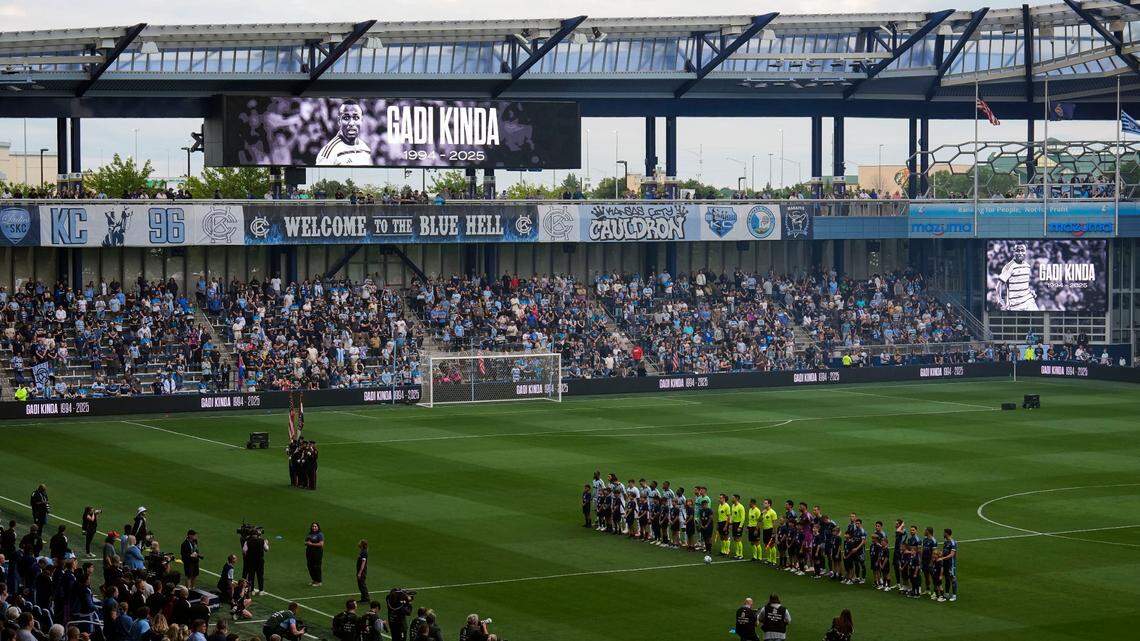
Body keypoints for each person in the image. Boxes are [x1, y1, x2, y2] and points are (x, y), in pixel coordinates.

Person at [316, 100, 371, 166]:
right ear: (339, 121)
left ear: (361, 120)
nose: (351, 123)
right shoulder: (329, 153)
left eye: (356, 118)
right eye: (346, 118)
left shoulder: (365, 149)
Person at [997, 243, 1037, 311]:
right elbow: (998, 285)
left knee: (1038, 320)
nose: (1020, 253)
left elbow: (1023, 284)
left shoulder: (1027, 266)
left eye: (1022, 250)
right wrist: (999, 299)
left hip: (1029, 301)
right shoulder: (1009, 266)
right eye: (1017, 250)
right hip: (1015, 306)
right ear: (1014, 252)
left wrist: (1030, 291)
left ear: (1025, 252)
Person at [242, 527, 268, 595]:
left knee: (251, 575)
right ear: (257, 534)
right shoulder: (262, 541)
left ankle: (252, 590)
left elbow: (244, 551)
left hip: (251, 561)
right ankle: (261, 590)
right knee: (260, 575)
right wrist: (266, 543)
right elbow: (266, 549)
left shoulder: (247, 541)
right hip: (260, 561)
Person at [941, 528, 958, 602]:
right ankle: (947, 593)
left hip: (951, 564)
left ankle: (954, 595)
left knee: (952, 578)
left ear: (947, 533)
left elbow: (952, 554)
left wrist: (943, 558)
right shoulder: (946, 542)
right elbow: (944, 551)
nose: (943, 534)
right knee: (947, 578)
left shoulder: (952, 542)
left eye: (944, 533)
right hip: (945, 563)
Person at [356, 540, 369, 604]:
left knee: (362, 584)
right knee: (360, 584)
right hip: (360, 570)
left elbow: (363, 563)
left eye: (360, 542)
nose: (358, 543)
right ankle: (363, 598)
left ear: (362, 544)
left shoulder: (364, 552)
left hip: (362, 571)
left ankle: (366, 599)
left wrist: (360, 573)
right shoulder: (362, 551)